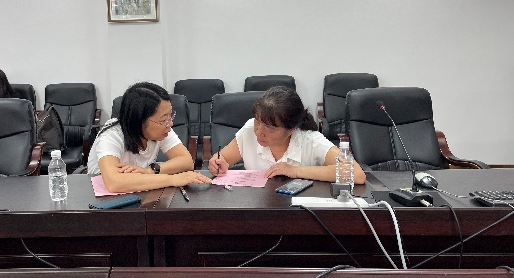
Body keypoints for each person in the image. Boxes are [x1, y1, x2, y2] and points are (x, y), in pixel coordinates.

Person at [208, 86, 366, 184]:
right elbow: (224, 158)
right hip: (258, 208)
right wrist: (218, 164)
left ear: (291, 129)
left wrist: (295, 171)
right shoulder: (250, 129)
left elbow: (357, 174)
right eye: (257, 121)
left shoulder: (310, 139)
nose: (259, 131)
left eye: (270, 128)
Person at [87, 82, 211, 193]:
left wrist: (150, 170)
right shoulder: (111, 134)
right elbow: (114, 182)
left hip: (140, 193)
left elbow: (186, 161)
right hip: (101, 202)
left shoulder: (163, 128)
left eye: (170, 116)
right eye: (163, 119)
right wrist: (173, 179)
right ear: (139, 120)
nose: (170, 123)